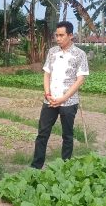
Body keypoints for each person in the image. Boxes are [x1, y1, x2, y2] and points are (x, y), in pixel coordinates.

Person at [30, 21, 89, 169]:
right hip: (50, 100)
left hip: (69, 102)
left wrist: (63, 98)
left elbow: (80, 79)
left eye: (61, 35)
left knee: (67, 136)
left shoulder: (80, 54)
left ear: (70, 36)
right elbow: (46, 74)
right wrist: (47, 93)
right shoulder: (52, 52)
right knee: (42, 133)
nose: (58, 38)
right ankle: (36, 167)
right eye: (56, 35)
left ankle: (65, 167)